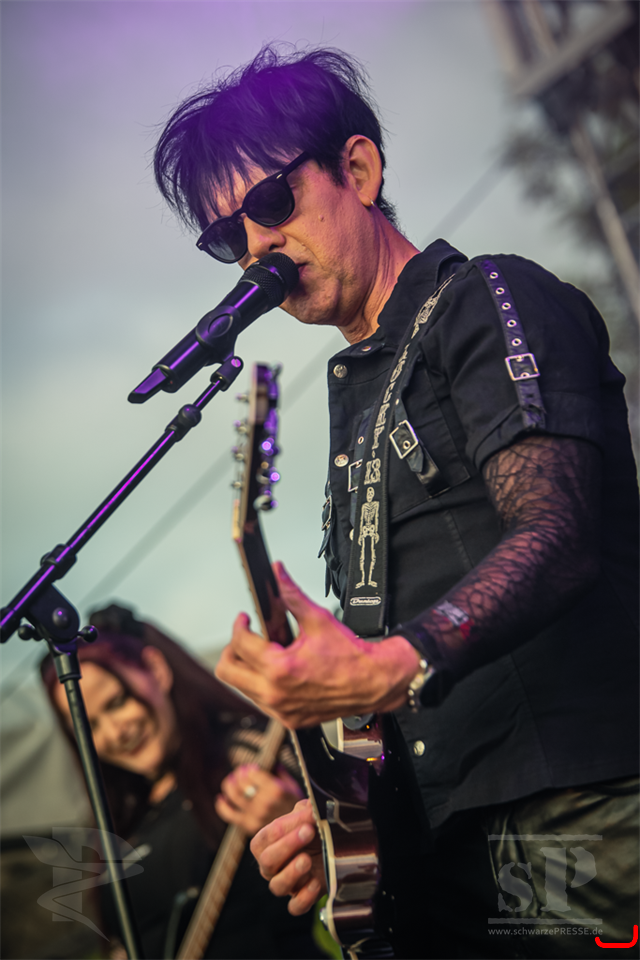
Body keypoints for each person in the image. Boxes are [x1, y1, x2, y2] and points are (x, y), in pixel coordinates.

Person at [152, 46, 640, 958]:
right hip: (447, 865)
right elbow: (397, 709)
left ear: (360, 169)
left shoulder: (487, 298)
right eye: (228, 238)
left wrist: (391, 663)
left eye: (271, 203)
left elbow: (558, 532)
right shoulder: (359, 396)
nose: (256, 247)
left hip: (582, 820)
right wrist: (342, 820)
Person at [41, 604, 330, 960]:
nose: (115, 733)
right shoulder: (126, 816)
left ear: (156, 669)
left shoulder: (240, 753)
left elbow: (341, 836)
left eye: (117, 702)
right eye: (91, 727)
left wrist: (296, 817)